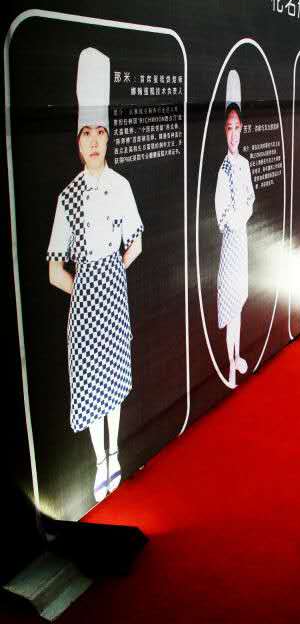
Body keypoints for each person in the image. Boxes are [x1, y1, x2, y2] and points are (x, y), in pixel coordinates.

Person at [47, 47, 144, 503]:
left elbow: (136, 242)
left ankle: (115, 453)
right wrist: (85, 286)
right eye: (86, 133)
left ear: (108, 138)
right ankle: (99, 460)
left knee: (115, 377)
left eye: (100, 133)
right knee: (90, 383)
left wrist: (111, 275)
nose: (93, 142)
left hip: (114, 297)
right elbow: (54, 270)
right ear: (77, 140)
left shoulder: (121, 186)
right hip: (85, 304)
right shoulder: (67, 196)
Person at [215, 70, 255, 389]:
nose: (233, 134)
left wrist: (244, 213)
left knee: (240, 303)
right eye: (229, 127)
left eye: (236, 127)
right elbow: (223, 213)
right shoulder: (223, 169)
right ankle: (230, 363)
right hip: (230, 244)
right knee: (230, 308)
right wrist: (238, 217)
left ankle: (238, 355)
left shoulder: (244, 164)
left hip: (243, 243)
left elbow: (250, 199)